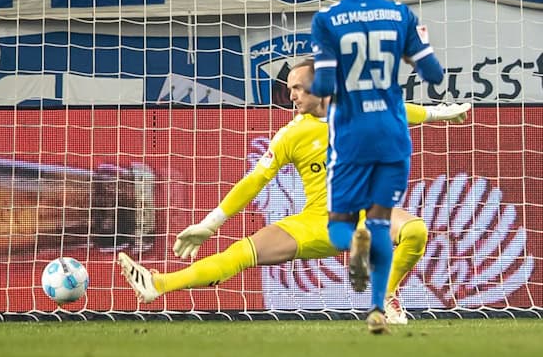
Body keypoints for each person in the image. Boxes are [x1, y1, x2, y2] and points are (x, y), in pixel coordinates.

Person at [117, 60, 466, 325]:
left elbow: (400, 112)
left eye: (298, 87)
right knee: (243, 253)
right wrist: (211, 224)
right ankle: (157, 284)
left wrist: (441, 114)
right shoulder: (291, 134)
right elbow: (253, 182)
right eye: (290, 88)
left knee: (416, 230)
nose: (292, 95)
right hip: (318, 223)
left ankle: (386, 296)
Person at [309, 0, 446, 333]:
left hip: (351, 135)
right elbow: (434, 74)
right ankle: (376, 308)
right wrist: (403, 52)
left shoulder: (327, 20)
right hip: (392, 132)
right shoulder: (401, 15)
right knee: (383, 224)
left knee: (339, 228)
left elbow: (323, 83)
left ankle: (355, 243)